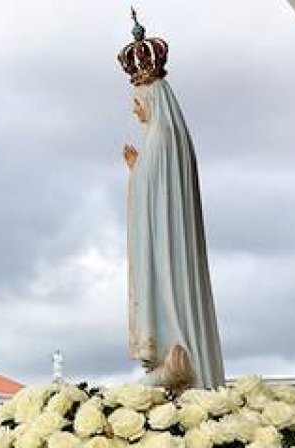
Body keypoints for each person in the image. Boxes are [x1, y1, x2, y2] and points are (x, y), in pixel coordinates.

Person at [120, 10, 224, 391]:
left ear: (150, 96)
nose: (134, 108)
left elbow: (156, 193)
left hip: (167, 244)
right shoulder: (163, 137)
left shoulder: (161, 137)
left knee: (169, 293)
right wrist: (139, 170)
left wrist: (137, 174)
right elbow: (160, 189)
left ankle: (175, 355)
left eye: (137, 100)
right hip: (168, 234)